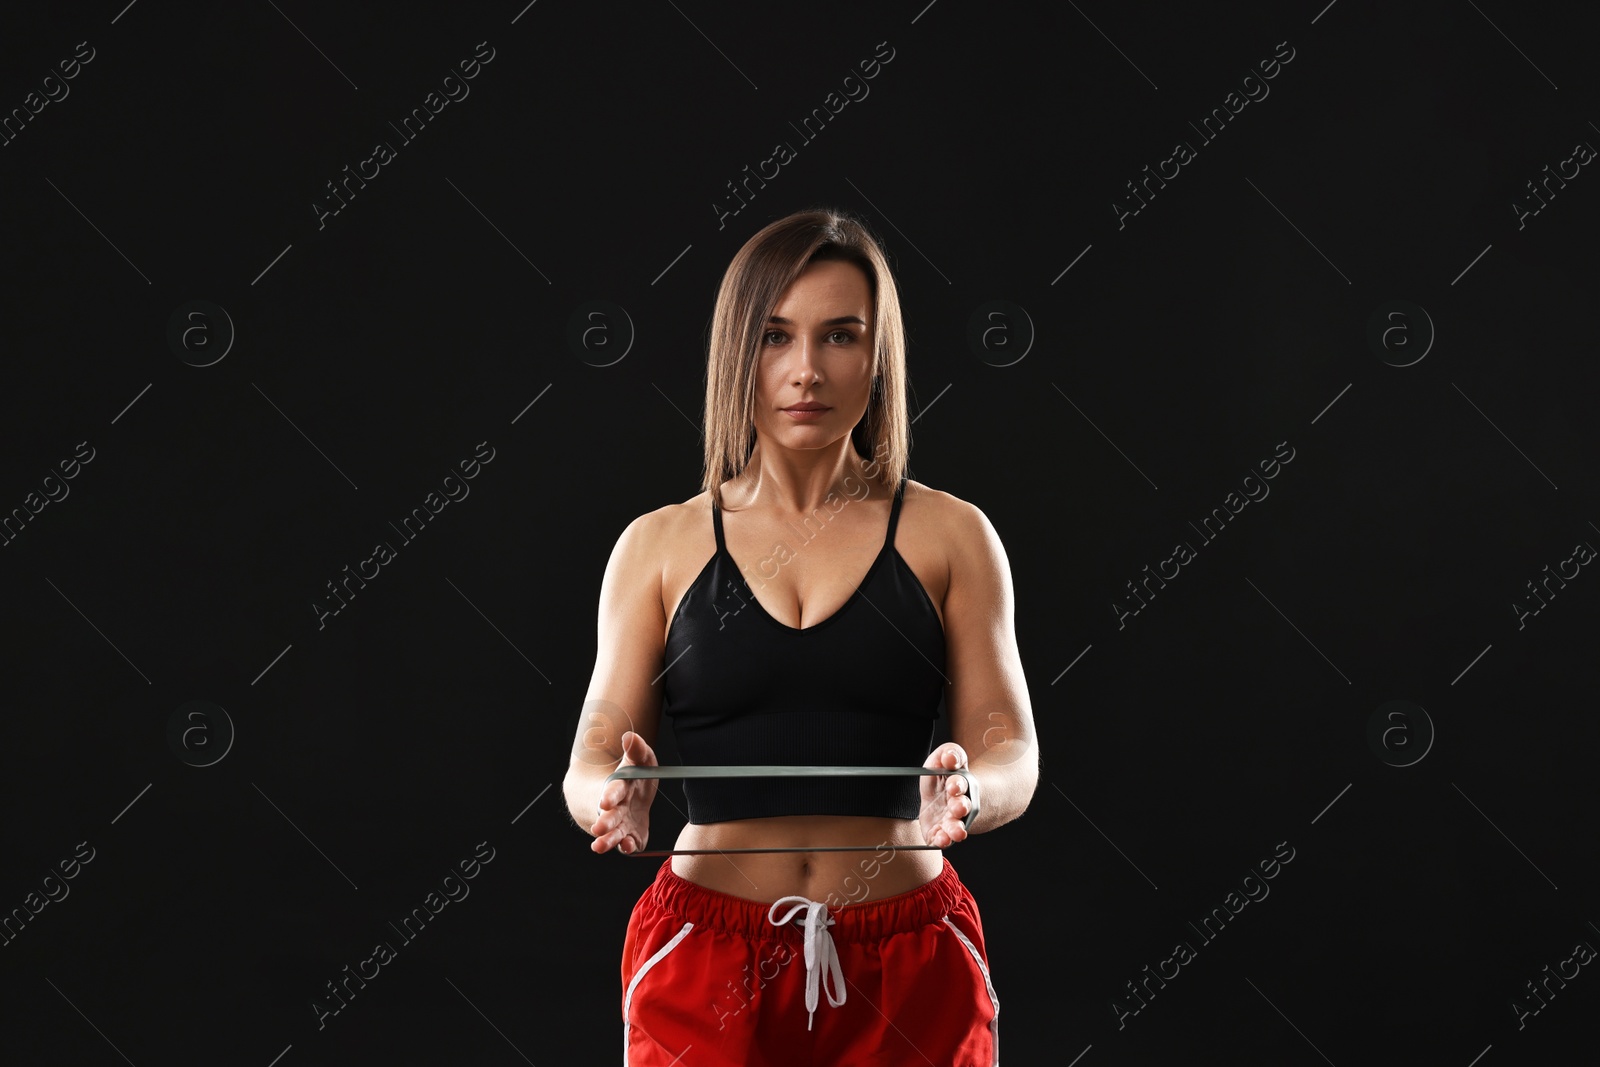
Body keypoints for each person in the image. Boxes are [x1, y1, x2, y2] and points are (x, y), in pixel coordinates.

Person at [562, 207, 1037, 1066]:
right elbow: (595, 746)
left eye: (841, 336)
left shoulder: (953, 535)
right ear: (737, 349)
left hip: (910, 953)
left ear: (878, 355)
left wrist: (972, 794)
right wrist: (608, 794)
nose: (806, 370)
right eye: (776, 336)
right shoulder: (657, 545)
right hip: (705, 955)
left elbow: (1011, 751)